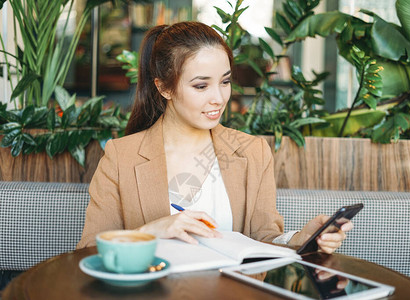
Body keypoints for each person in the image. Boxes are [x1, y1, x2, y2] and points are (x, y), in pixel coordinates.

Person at [77, 21, 353, 253]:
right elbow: (87, 252)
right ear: (164, 88)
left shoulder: (252, 152)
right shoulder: (121, 156)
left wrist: (300, 239)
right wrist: (150, 231)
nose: (219, 98)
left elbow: (264, 238)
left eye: (225, 81)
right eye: (201, 85)